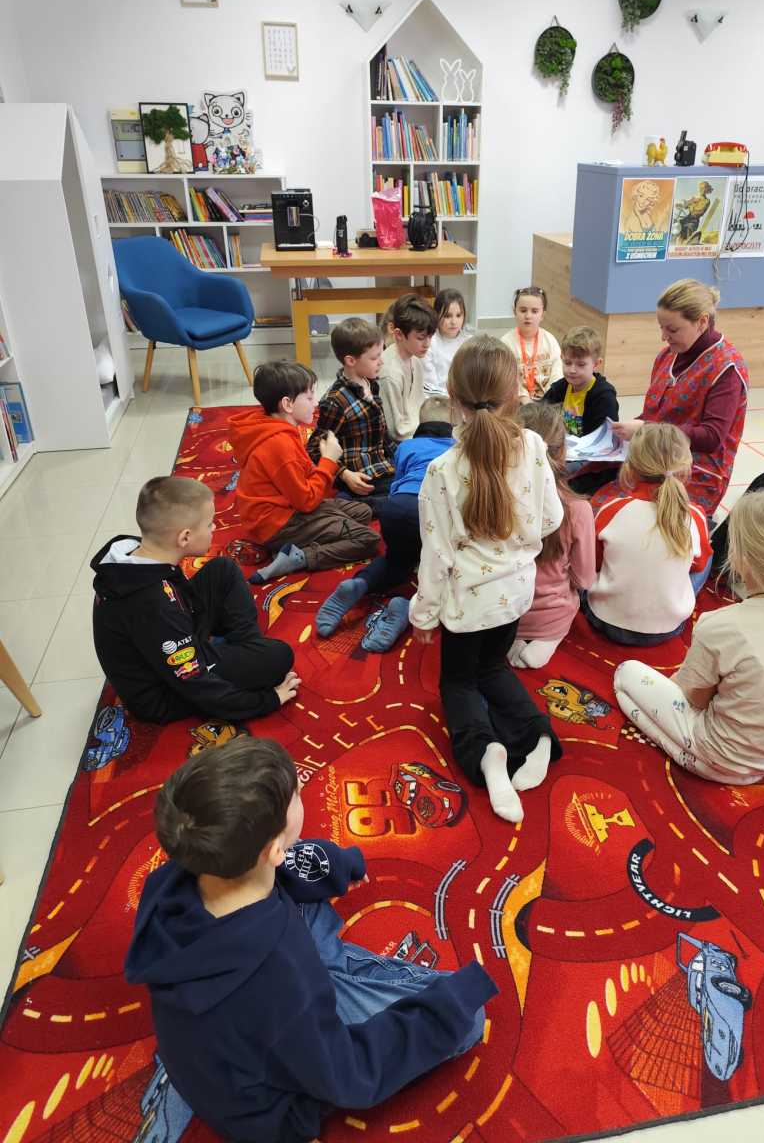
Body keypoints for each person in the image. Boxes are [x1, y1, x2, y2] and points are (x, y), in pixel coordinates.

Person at [125, 736, 496, 1143]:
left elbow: (290, 862)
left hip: (237, 1006)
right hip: (269, 1098)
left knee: (296, 881)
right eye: (297, 795)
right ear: (272, 850)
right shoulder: (279, 980)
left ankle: (337, 969)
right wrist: (445, 1009)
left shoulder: (178, 874)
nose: (303, 787)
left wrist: (341, 865)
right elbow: (348, 1074)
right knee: (467, 1019)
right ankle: (347, 975)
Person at [409, 336, 564, 824]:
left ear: (453, 398)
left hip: (466, 605)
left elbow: (435, 556)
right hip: (515, 594)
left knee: (457, 682)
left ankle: (485, 753)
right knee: (495, 668)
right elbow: (551, 520)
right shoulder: (534, 446)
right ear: (514, 395)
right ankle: (537, 735)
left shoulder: (441, 470)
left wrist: (423, 616)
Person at [614, 491, 764, 807]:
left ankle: (712, 754)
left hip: (718, 762)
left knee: (626, 675)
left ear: (739, 558)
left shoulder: (720, 625)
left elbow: (693, 699)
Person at [91, 477, 298, 724]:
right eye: (209, 524)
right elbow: (195, 683)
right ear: (185, 538)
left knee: (223, 570)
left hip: (168, 638)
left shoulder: (136, 552)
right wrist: (268, 699)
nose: (214, 528)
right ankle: (253, 660)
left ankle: (249, 651)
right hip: (164, 690)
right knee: (279, 657)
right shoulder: (153, 605)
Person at [316, 396, 455, 651]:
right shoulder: (457, 448)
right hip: (431, 510)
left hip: (396, 508)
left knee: (396, 561)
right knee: (450, 571)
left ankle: (360, 583)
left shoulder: (406, 446)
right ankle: (408, 607)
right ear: (454, 424)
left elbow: (397, 481)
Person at [228, 360, 379, 585]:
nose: (315, 403)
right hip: (278, 523)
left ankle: (305, 540)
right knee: (369, 539)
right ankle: (300, 557)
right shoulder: (279, 444)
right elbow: (306, 501)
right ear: (287, 404)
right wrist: (328, 460)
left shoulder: (275, 426)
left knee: (363, 512)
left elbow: (304, 480)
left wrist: (333, 470)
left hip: (285, 508)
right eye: (309, 397)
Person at [612, 280, 749, 518]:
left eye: (672, 330)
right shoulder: (667, 356)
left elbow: (712, 437)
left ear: (702, 322)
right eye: (661, 328)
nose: (663, 337)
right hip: (654, 457)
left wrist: (646, 429)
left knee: (621, 514)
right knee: (591, 483)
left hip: (696, 472)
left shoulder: (726, 369)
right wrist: (627, 429)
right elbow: (656, 413)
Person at [584, 423, 711, 646]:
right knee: (706, 555)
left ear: (630, 467)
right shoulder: (695, 515)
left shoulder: (611, 509)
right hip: (668, 628)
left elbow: (594, 563)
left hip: (604, 619)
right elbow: (697, 566)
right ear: (685, 469)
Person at [507, 402, 595, 669]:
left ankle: (514, 639)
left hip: (504, 610)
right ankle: (546, 640)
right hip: (551, 615)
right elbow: (584, 579)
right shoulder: (578, 509)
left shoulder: (496, 500)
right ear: (563, 452)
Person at [307, 317, 395, 500]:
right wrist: (345, 474)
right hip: (362, 475)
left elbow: (380, 432)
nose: (381, 362)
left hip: (382, 462)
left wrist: (398, 454)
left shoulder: (370, 383)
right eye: (374, 358)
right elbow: (315, 447)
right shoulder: (335, 401)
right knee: (404, 501)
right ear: (351, 360)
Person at [542, 324, 620, 496]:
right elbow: (540, 412)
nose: (572, 370)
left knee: (552, 476)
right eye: (567, 362)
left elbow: (601, 445)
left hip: (592, 460)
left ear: (596, 364)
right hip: (567, 451)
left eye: (581, 364)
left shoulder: (603, 397)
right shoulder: (561, 387)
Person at [379, 293, 436, 442]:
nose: (427, 344)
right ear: (398, 334)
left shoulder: (415, 360)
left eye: (430, 336)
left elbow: (418, 406)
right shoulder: (389, 374)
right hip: (402, 443)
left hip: (417, 432)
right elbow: (396, 431)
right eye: (421, 337)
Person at [500, 286, 563, 401]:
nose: (528, 316)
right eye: (523, 310)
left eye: (534, 311)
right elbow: (506, 377)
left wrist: (549, 398)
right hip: (517, 401)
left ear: (542, 315)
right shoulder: (506, 343)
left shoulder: (550, 340)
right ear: (515, 312)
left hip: (549, 401)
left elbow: (558, 373)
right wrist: (524, 398)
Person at [422, 288, 470, 394]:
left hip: (464, 397)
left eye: (458, 315)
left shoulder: (468, 342)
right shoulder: (430, 343)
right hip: (438, 398)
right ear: (436, 315)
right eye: (448, 316)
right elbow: (430, 385)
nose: (454, 322)